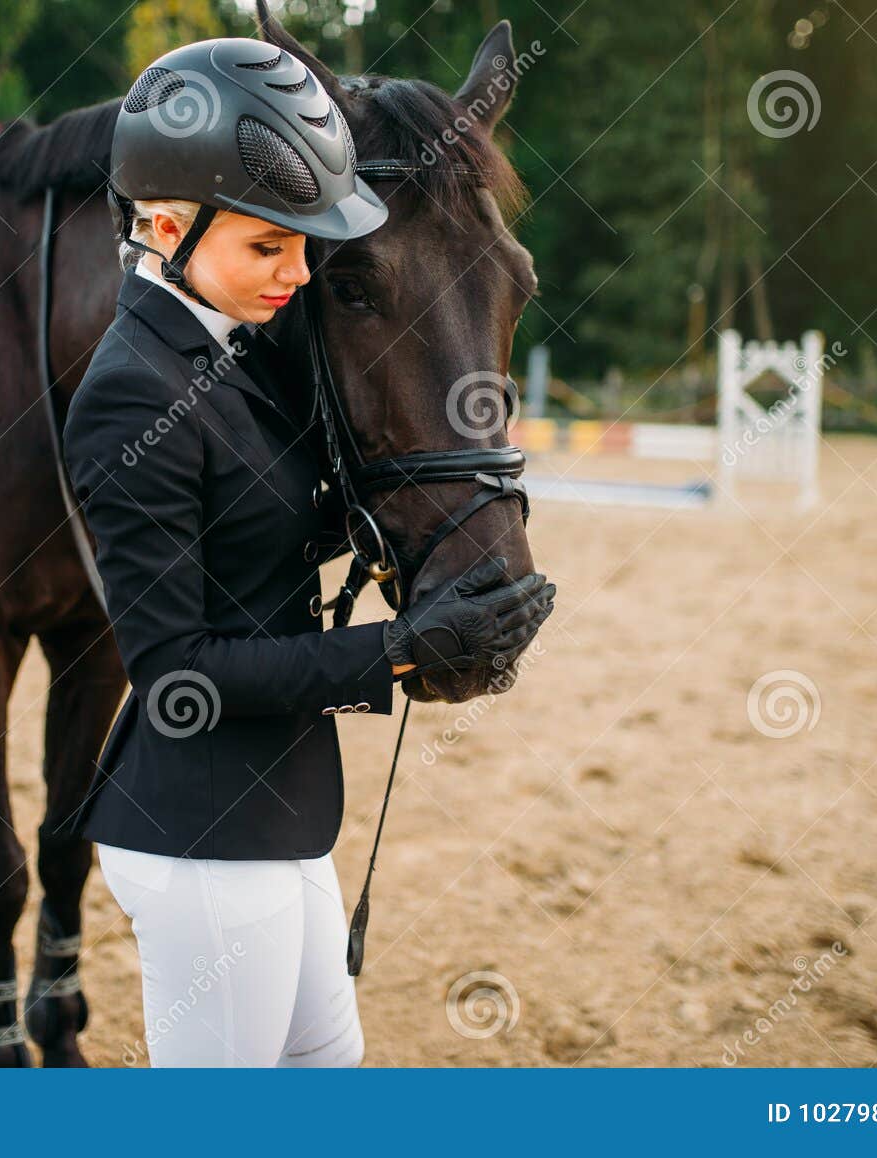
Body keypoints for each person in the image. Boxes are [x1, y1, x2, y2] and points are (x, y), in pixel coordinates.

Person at [61, 36, 555, 1067]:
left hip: (279, 812)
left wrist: (454, 555)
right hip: (196, 834)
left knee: (328, 1075)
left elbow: (262, 521)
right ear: (162, 224)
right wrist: (400, 651)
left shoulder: (234, 360)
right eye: (265, 248)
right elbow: (174, 674)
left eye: (302, 249)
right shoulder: (130, 391)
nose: (295, 274)